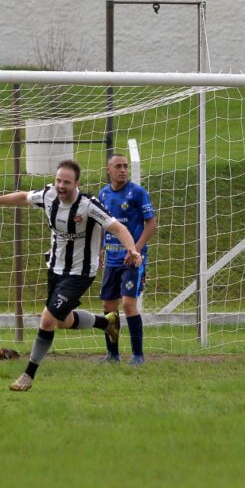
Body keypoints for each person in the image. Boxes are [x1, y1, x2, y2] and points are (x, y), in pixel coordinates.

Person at [0, 159, 141, 391]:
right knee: (62, 321)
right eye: (58, 180)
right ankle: (106, 322)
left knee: (47, 319)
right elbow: (22, 197)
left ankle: (28, 375)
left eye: (66, 182)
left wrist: (132, 249)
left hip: (80, 272)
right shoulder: (49, 195)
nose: (61, 186)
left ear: (76, 183)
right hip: (55, 268)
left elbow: (118, 228)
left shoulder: (89, 205)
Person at [98, 154, 157, 365]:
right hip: (112, 260)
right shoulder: (103, 195)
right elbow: (101, 226)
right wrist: (99, 252)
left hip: (132, 261)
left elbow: (151, 224)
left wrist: (136, 250)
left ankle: (137, 355)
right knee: (108, 307)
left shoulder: (138, 193)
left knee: (129, 305)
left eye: (125, 166)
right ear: (109, 170)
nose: (123, 170)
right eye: (118, 166)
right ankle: (113, 355)